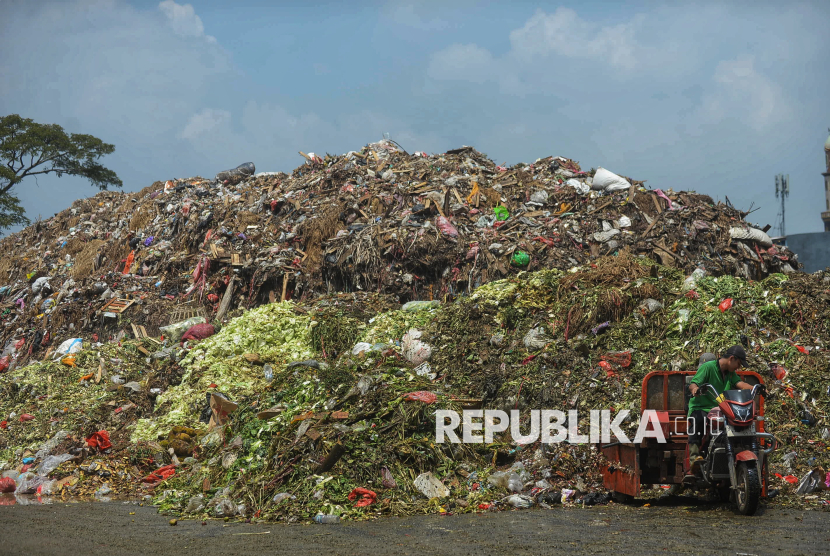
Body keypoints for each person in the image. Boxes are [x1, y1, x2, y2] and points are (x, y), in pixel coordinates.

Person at [686, 345, 760, 476]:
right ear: (732, 359)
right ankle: (694, 460)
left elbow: (740, 385)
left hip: (721, 408)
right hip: (701, 407)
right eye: (738, 363)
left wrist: (755, 388)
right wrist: (695, 390)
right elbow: (694, 383)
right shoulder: (708, 367)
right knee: (699, 420)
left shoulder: (731, 373)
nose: (739, 367)